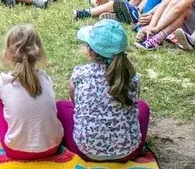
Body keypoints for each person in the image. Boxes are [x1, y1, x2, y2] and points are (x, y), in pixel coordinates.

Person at [58, 19, 149, 162]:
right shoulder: (131, 77)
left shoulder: (80, 73)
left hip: (85, 151)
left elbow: (75, 102)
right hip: (128, 152)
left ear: (90, 51)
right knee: (143, 108)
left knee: (61, 107)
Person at [0, 25, 62, 160]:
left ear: (7, 53)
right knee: (59, 105)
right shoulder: (45, 78)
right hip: (52, 147)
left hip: (16, 151)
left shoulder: (2, 82)